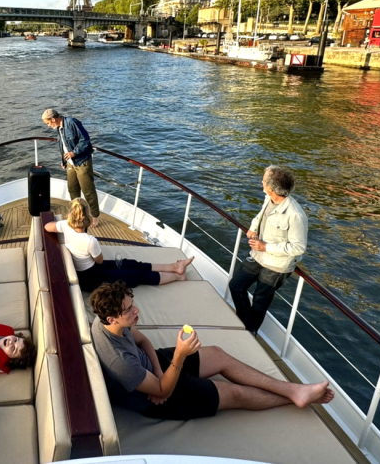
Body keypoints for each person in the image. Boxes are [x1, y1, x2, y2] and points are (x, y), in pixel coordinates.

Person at [89, 281, 334, 420]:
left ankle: (294, 390)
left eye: (133, 304)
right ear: (112, 318)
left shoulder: (105, 322)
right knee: (235, 394)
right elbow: (163, 391)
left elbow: (142, 341)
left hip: (156, 373)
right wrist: (179, 357)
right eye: (129, 310)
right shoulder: (121, 362)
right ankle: (293, 398)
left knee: (217, 354)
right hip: (153, 400)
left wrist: (159, 370)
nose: (136, 311)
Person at [43, 198, 193, 292]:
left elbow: (47, 226)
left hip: (90, 271)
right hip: (91, 280)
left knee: (131, 263)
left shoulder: (65, 225)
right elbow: (99, 261)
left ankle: (175, 267)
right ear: (87, 216)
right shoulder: (89, 240)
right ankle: (177, 276)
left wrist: (65, 225)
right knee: (137, 275)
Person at [229, 166, 308, 335]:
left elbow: (298, 247)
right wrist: (253, 227)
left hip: (276, 265)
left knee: (260, 300)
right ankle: (246, 325)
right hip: (257, 256)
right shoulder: (269, 198)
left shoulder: (296, 215)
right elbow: (261, 216)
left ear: (271, 188)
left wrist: (265, 247)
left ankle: (249, 332)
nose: (261, 182)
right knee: (236, 285)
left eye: (263, 180)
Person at [41, 108, 101, 227]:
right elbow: (63, 145)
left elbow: (85, 140)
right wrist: (64, 161)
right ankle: (75, 212)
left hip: (82, 162)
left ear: (53, 119)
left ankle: (95, 216)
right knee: (72, 188)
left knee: (88, 190)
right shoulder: (58, 128)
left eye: (48, 123)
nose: (48, 126)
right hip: (70, 163)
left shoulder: (72, 123)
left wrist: (73, 153)